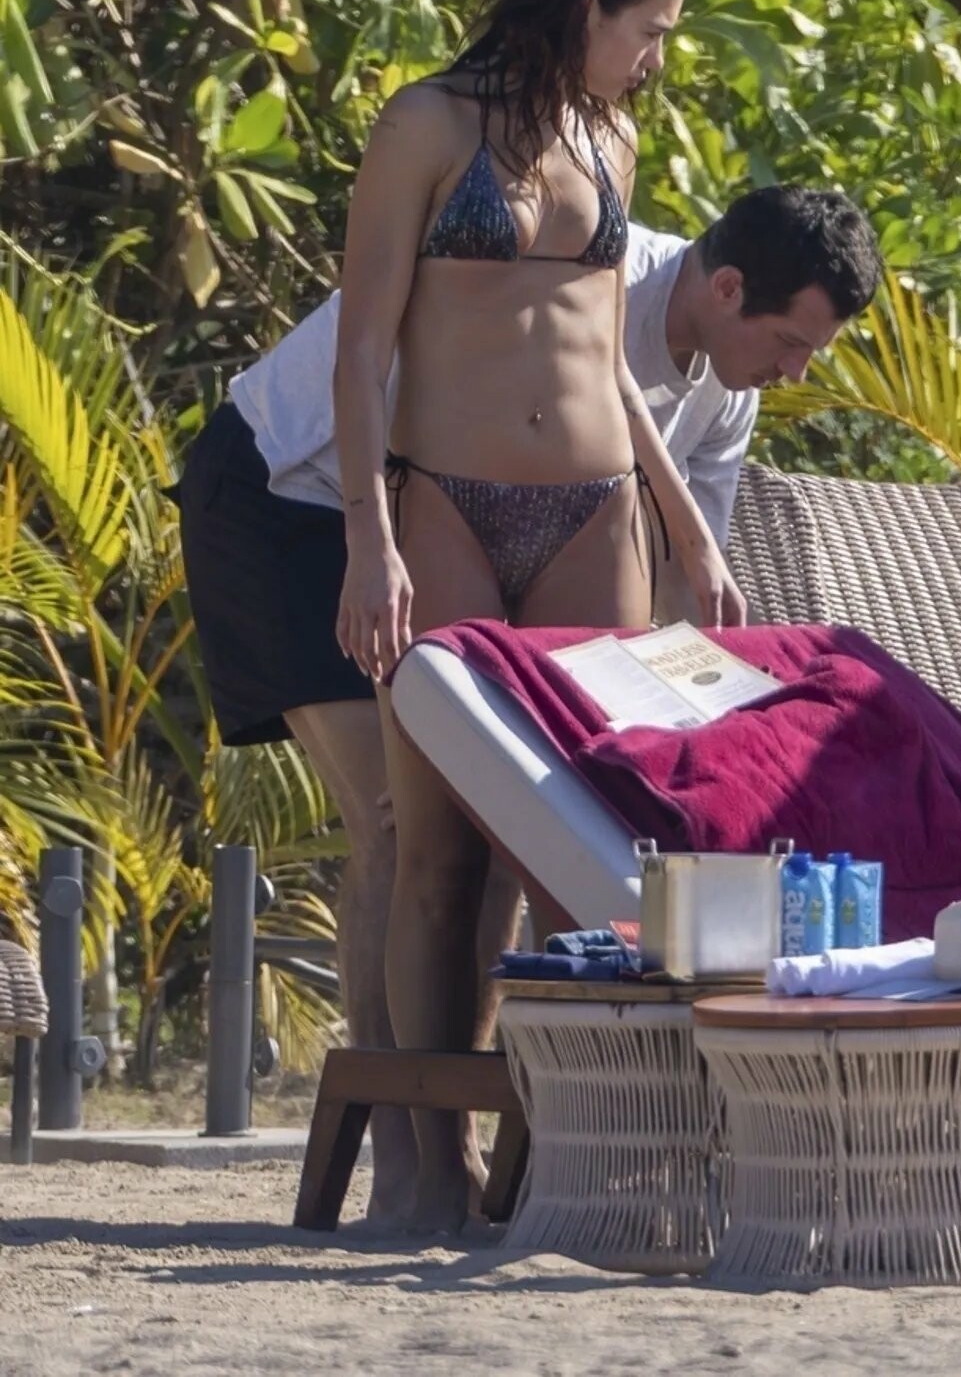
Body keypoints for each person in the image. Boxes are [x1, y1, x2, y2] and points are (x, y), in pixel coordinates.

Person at [174, 179, 880, 1224]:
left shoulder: (728, 396)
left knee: (510, 811)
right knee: (399, 825)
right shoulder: (586, 278)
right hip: (297, 494)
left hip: (439, 521)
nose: (795, 371)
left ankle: (479, 1144)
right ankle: (409, 1164)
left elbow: (682, 598)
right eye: (788, 342)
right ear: (728, 287)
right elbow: (443, 421)